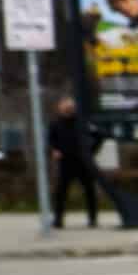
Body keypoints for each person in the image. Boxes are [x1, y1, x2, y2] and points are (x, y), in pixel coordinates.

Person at [45, 96, 98, 228]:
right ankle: (58, 220)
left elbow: (97, 136)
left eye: (70, 107)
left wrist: (91, 151)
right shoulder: (55, 124)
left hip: (82, 161)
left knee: (89, 191)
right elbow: (51, 141)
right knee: (61, 192)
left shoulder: (81, 122)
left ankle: (93, 219)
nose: (68, 110)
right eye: (65, 107)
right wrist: (54, 150)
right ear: (60, 108)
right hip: (65, 162)